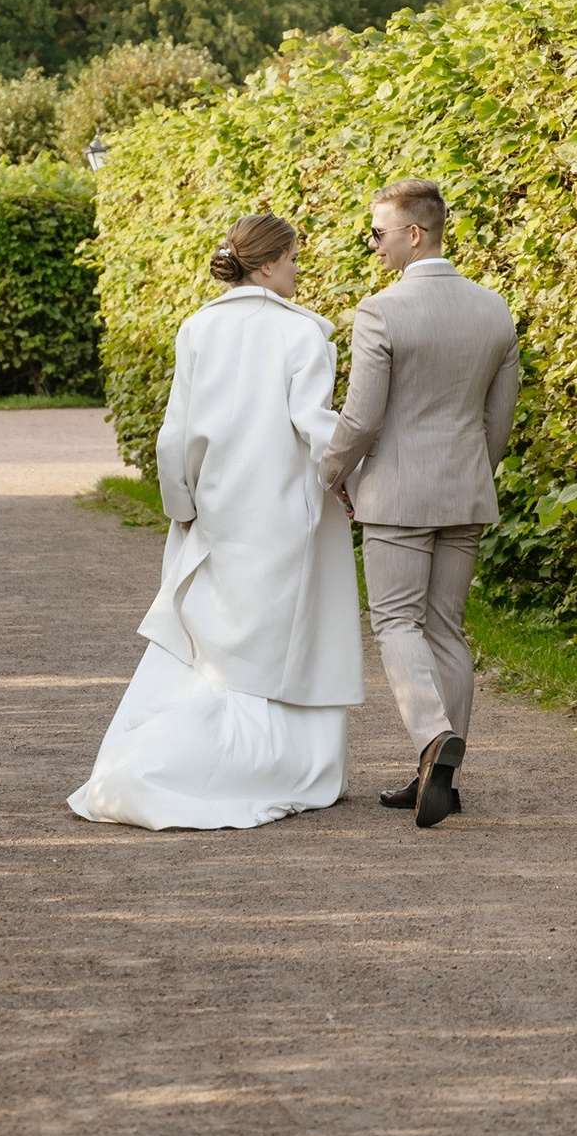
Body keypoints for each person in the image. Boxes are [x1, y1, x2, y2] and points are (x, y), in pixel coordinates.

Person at [68, 215, 363, 829]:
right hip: (287, 512)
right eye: (293, 258)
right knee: (288, 639)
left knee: (217, 639)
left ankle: (168, 758)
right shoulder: (306, 335)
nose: (299, 269)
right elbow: (314, 425)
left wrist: (182, 507)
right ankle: (279, 765)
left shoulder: (198, 326)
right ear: (266, 264)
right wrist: (358, 481)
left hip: (217, 511)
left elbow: (175, 433)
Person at [320, 179, 520, 827]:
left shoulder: (380, 311)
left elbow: (362, 418)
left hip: (397, 495)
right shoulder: (495, 310)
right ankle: (442, 777)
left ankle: (433, 737)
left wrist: (330, 473)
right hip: (466, 489)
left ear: (414, 233)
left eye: (377, 233)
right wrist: (472, 475)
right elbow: (500, 419)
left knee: (396, 624)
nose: (371, 245)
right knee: (445, 629)